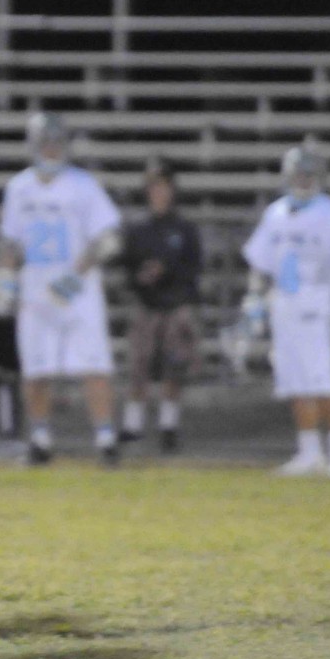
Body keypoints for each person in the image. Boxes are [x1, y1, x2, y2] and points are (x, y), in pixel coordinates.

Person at [0, 112, 122, 466]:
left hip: (78, 290)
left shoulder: (83, 185)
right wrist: (5, 278)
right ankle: (40, 439)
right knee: (36, 367)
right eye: (45, 143)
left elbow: (107, 239)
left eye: (56, 142)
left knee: (94, 364)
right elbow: (11, 241)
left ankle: (106, 439)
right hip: (36, 289)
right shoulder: (19, 188)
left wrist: (75, 276)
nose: (51, 149)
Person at [241, 146, 330, 477]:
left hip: (317, 304)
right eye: (298, 174)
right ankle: (309, 451)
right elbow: (260, 264)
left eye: (308, 175)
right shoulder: (275, 213)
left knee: (322, 382)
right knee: (293, 381)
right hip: (283, 305)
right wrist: (254, 298)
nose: (303, 180)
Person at [118, 157, 202, 453]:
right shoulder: (137, 228)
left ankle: (168, 424)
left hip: (175, 304)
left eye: (163, 186)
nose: (158, 192)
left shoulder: (184, 228)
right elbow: (126, 268)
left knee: (173, 368)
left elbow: (193, 269)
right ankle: (133, 424)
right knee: (138, 367)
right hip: (146, 304)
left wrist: (167, 273)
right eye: (153, 186)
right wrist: (141, 278)